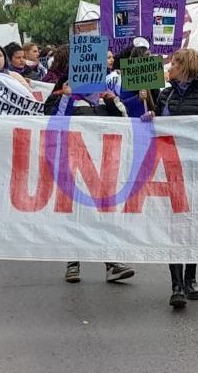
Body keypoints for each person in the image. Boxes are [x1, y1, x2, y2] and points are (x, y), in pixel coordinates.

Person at [145, 48, 198, 308]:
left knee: (194, 224)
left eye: (174, 63)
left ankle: (191, 276)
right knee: (175, 225)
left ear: (186, 66)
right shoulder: (166, 95)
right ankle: (176, 284)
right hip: (171, 168)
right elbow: (158, 128)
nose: (169, 67)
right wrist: (151, 118)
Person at [45, 83, 136, 284]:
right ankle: (73, 262)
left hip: (103, 166)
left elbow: (125, 122)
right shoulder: (65, 97)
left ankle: (111, 264)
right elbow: (54, 123)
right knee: (76, 215)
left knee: (104, 216)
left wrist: (113, 101)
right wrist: (67, 97)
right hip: (73, 165)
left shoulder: (106, 98)